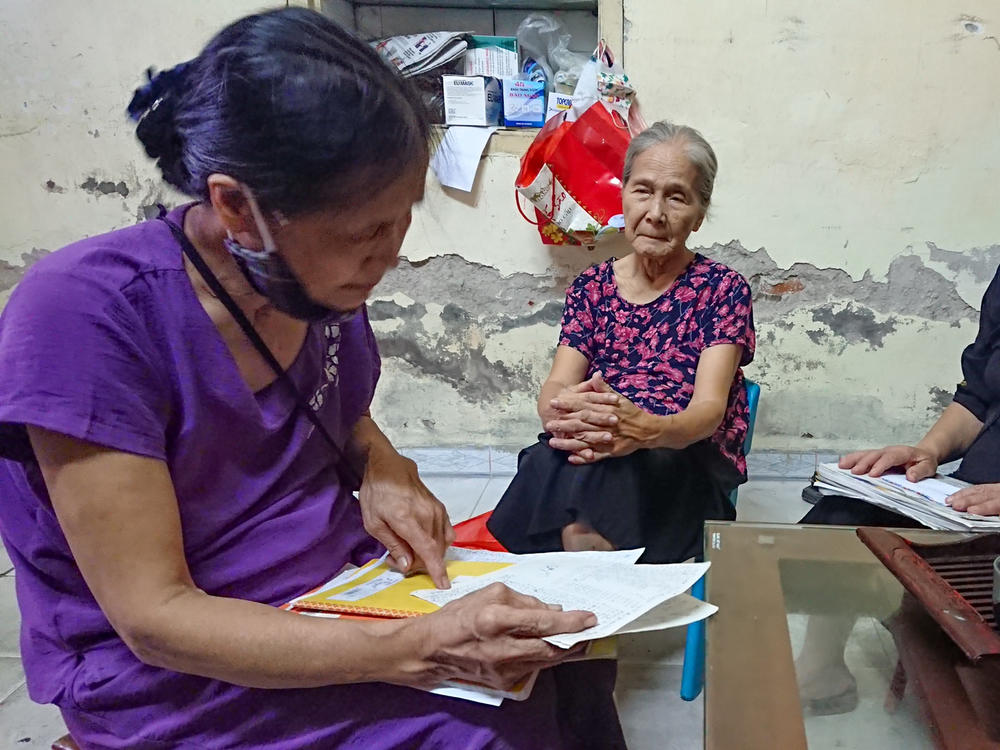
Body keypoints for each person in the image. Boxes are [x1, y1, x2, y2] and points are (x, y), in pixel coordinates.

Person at [0, 9, 625, 749]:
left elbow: (331, 415)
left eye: (402, 221)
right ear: (237, 206)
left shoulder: (310, 287)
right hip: (179, 668)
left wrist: (383, 466)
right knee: (483, 727)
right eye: (364, 232)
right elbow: (155, 618)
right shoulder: (86, 315)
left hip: (333, 594)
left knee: (566, 660)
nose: (389, 255)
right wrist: (417, 651)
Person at [488, 122, 756, 564]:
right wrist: (583, 418)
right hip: (597, 447)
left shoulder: (722, 289)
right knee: (551, 458)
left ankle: (582, 602)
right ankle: (594, 591)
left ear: (699, 213)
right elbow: (556, 390)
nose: (655, 212)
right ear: (623, 194)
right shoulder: (591, 287)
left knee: (596, 483)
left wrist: (647, 430)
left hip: (680, 452)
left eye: (676, 196)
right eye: (643, 190)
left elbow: (707, 412)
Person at [794, 263, 1000, 715]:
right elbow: (978, 399)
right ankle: (821, 673)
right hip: (970, 495)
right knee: (842, 514)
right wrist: (926, 451)